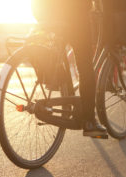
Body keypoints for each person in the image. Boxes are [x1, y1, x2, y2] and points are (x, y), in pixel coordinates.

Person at [31, 0, 107, 137]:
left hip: (42, 9)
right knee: (85, 66)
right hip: (73, 13)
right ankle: (89, 121)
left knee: (53, 49)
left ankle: (64, 88)